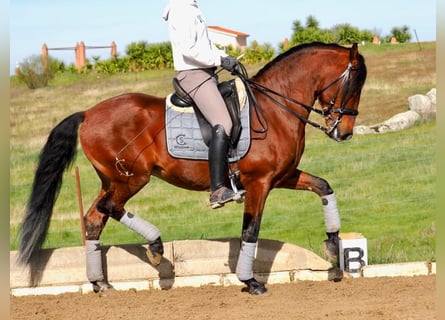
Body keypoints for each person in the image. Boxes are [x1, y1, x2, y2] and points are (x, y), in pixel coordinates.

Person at [163, 0, 244, 209]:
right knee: (223, 122)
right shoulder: (181, 10)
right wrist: (219, 60)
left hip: (204, 73)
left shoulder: (191, 8)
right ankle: (217, 189)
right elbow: (189, 50)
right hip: (194, 75)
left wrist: (225, 57)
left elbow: (204, 45)